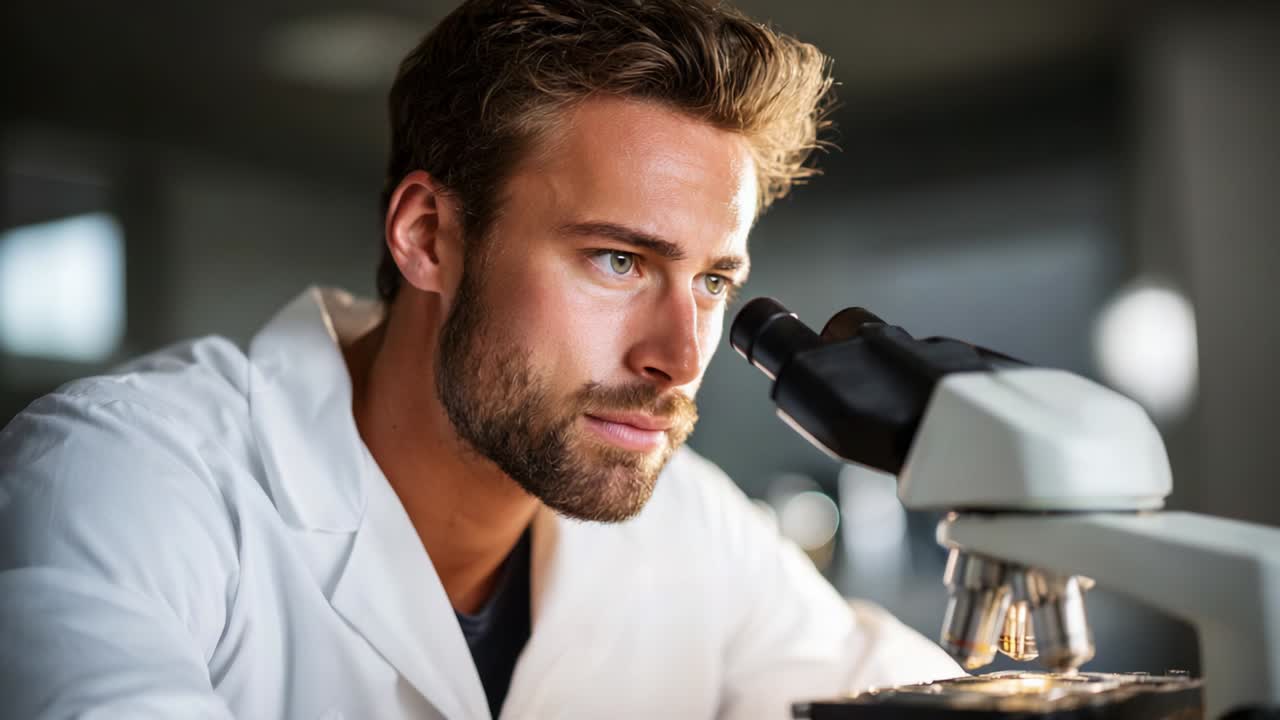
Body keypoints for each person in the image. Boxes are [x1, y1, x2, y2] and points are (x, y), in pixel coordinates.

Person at [0, 0, 962, 717]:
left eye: (712, 281)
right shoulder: (122, 479)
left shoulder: (692, 524)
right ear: (427, 236)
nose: (679, 356)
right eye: (619, 260)